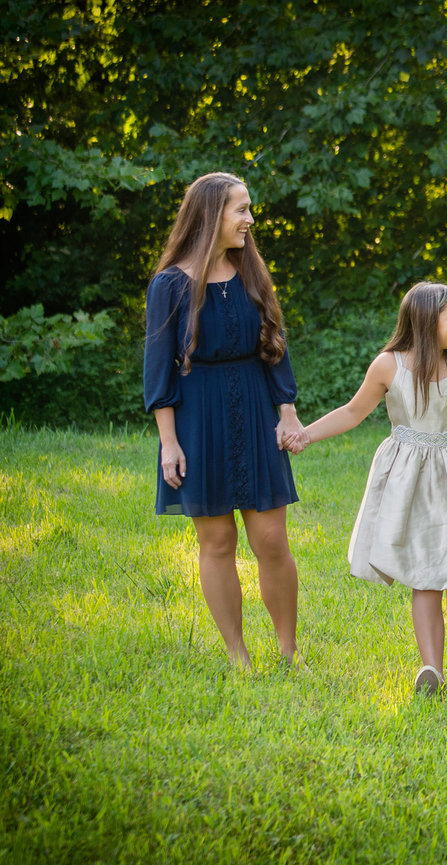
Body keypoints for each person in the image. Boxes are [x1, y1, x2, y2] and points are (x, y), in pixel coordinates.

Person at [284, 282, 447, 695]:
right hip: (409, 479)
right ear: (424, 320)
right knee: (424, 573)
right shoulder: (388, 366)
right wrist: (306, 435)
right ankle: (430, 668)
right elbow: (352, 411)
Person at [143, 172, 303, 669]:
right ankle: (238, 656)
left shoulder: (250, 271)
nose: (250, 220)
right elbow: (158, 371)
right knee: (217, 541)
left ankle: (288, 651)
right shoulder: (169, 286)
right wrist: (169, 444)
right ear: (212, 214)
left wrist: (287, 410)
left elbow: (273, 345)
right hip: (198, 417)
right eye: (242, 210)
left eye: (249, 210)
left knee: (271, 539)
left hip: (255, 410)